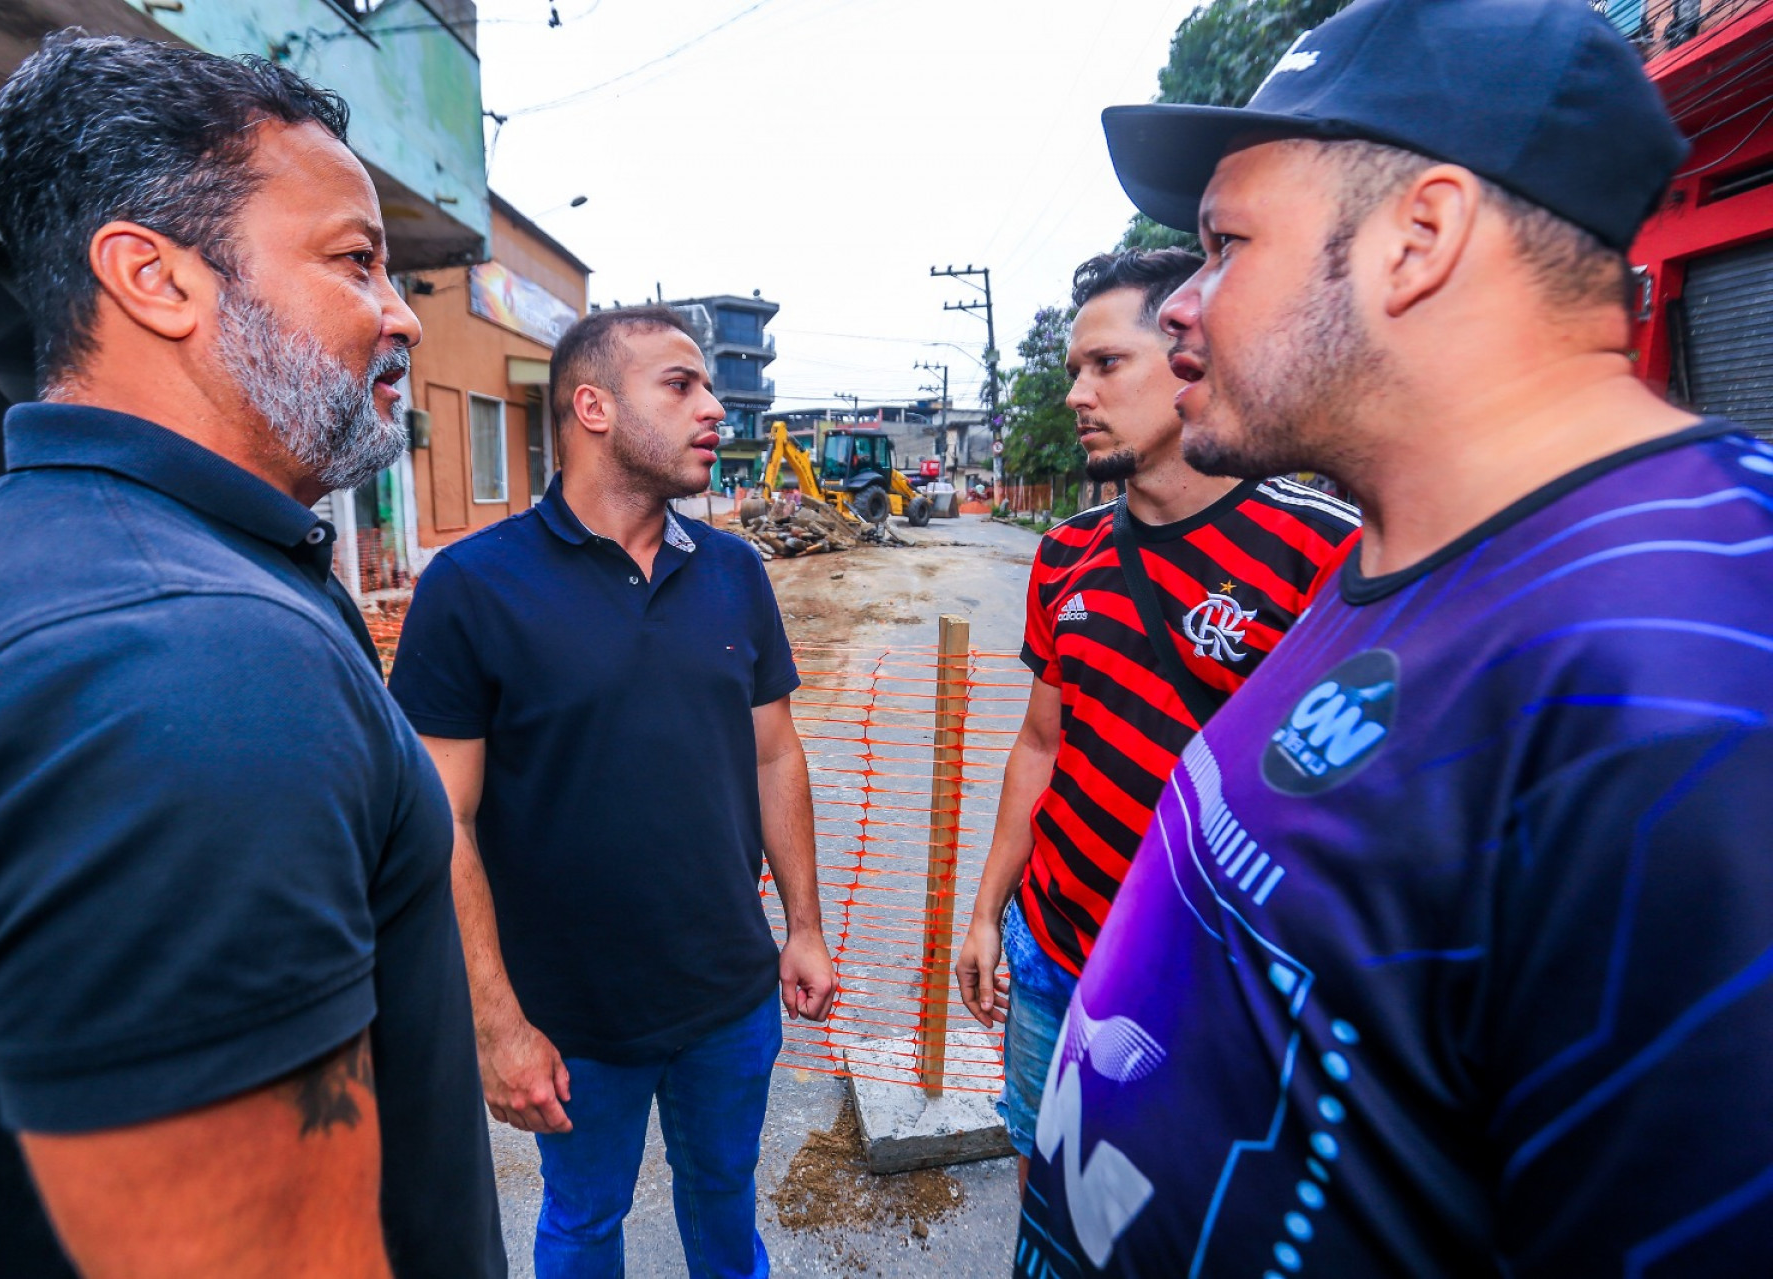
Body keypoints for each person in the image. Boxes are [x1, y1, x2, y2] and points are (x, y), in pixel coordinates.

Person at [1018, 0, 1773, 1275]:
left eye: (1223, 244)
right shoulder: (1409, 554)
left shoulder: (1696, 661)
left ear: (1418, 237)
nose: (1185, 308)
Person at [0, 34, 502, 1278]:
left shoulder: (100, 575)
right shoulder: (180, 658)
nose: (402, 316)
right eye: (357, 262)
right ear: (154, 278)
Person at [389, 305, 836, 1278]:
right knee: (585, 1220)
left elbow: (775, 756)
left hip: (730, 993)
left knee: (724, 1196)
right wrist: (497, 1022)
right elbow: (441, 819)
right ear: (592, 406)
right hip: (573, 1018)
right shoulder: (472, 587)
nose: (715, 408)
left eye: (711, 384)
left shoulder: (734, 571)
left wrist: (802, 924)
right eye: (681, 384)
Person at [954, 249, 1360, 1191]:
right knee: (1043, 1182)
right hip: (1052, 954)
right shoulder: (1065, 554)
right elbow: (1041, 744)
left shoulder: (1323, 553)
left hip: (1214, 987)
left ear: (1192, 356)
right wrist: (987, 914)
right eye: (1071, 372)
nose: (1076, 396)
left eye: (1105, 365)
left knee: (1189, 1212)